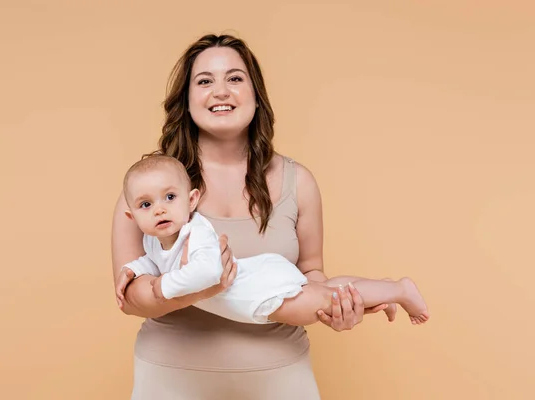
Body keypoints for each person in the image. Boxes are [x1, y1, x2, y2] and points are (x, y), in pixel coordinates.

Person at [112, 33, 392, 400]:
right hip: (169, 379)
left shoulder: (298, 182)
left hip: (281, 376)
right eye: (205, 81)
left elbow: (311, 274)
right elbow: (129, 299)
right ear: (186, 101)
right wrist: (204, 286)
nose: (221, 91)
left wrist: (335, 309)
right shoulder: (147, 191)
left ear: (256, 96)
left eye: (235, 78)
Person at [116, 155, 429, 326]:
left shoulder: (195, 232)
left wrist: (160, 288)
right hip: (258, 284)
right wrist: (132, 269)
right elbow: (153, 260)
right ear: (132, 217)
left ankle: (399, 289)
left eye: (170, 197)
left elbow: (208, 273)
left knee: (317, 303)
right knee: (324, 291)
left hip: (260, 288)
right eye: (146, 205)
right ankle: (384, 289)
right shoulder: (155, 239)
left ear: (192, 199)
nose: (159, 209)